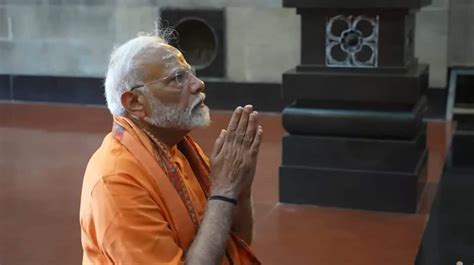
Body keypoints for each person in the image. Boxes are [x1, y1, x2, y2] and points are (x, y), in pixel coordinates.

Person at [79, 33, 263, 265]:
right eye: (177, 78)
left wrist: (240, 186)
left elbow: (236, 242)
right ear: (135, 103)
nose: (198, 84)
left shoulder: (175, 147)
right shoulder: (116, 180)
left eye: (189, 73)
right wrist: (225, 191)